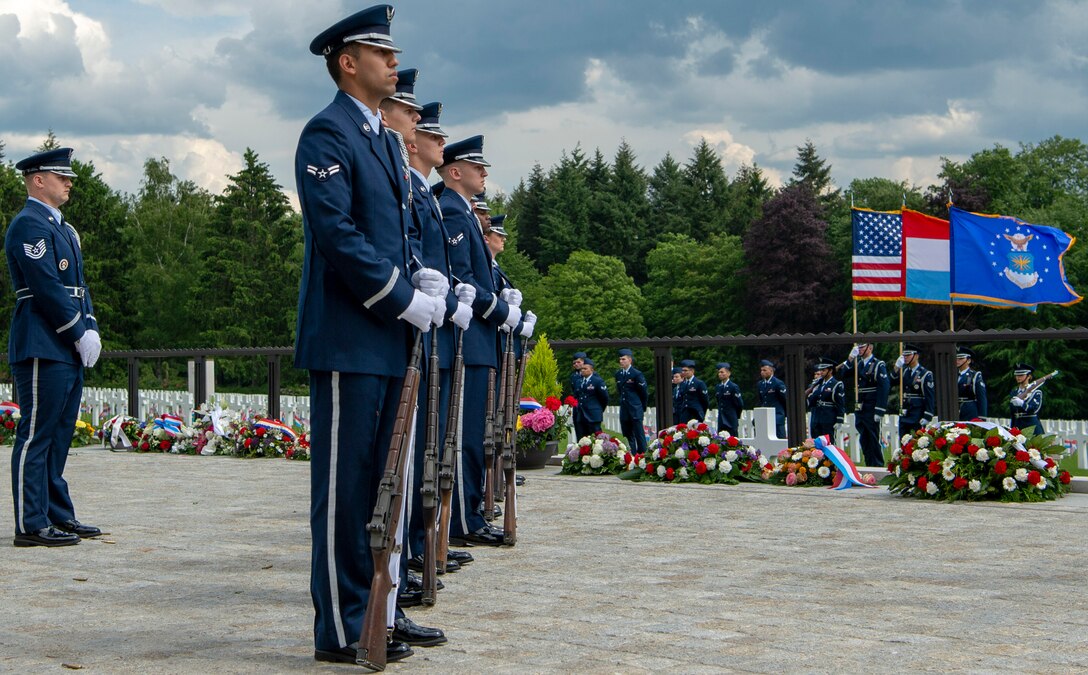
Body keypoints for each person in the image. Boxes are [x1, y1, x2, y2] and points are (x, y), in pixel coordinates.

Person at [296, 7, 448, 664]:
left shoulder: (387, 141)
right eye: (379, 52)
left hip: (387, 340)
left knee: (389, 481)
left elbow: (400, 235)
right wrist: (402, 297)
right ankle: (341, 623)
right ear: (346, 62)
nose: (394, 62)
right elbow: (338, 237)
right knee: (349, 488)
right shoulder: (325, 135)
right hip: (348, 336)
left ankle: (381, 610)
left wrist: (425, 279)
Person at [382, 85, 477, 582]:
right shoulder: (412, 184)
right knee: (417, 450)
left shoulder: (426, 193)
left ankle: (420, 546)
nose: (439, 142)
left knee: (431, 445)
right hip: (409, 321)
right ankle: (415, 550)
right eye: (427, 129)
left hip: (432, 321)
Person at [7, 147, 102, 548]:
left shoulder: (65, 228)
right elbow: (45, 286)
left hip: (64, 343)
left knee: (60, 432)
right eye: (61, 177)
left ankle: (57, 514)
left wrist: (90, 328)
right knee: (36, 433)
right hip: (42, 341)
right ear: (37, 179)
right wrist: (76, 330)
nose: (68, 183)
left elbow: (78, 287)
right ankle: (31, 522)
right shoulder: (29, 224)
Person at [438, 134, 521, 547]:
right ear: (456, 172)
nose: (484, 173)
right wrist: (502, 311)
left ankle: (469, 514)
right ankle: (462, 522)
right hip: (468, 342)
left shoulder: (466, 213)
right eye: (477, 167)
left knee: (476, 434)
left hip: (480, 342)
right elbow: (465, 280)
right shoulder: (453, 212)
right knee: (466, 436)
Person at [839, 343, 890, 467]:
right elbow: (843, 373)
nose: (860, 349)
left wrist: (880, 410)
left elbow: (884, 387)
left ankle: (877, 465)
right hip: (860, 407)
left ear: (870, 348)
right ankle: (869, 464)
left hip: (871, 406)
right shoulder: (858, 364)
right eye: (858, 347)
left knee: (873, 437)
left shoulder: (878, 364)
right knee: (864, 438)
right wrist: (850, 358)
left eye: (862, 347)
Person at [891, 343, 935, 436]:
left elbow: (929, 396)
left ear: (916, 356)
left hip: (917, 412)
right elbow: (891, 381)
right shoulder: (904, 372)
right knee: (903, 441)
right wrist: (896, 367)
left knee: (917, 442)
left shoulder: (925, 374)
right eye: (904, 355)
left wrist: (928, 415)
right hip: (905, 411)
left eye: (908, 355)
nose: (905, 357)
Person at [615, 348, 648, 454]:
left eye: (623, 359)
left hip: (635, 407)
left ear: (630, 360)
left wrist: (641, 406)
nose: (621, 361)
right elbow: (620, 390)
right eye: (620, 359)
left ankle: (643, 455)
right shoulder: (619, 374)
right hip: (625, 408)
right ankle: (631, 455)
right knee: (627, 434)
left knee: (639, 434)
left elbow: (643, 392)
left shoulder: (636, 374)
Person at [805, 356, 845, 438]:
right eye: (821, 370)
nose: (821, 372)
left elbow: (840, 403)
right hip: (817, 417)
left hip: (828, 417)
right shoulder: (818, 384)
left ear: (830, 371)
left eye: (824, 370)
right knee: (816, 443)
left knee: (828, 443)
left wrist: (839, 419)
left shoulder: (836, 384)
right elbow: (811, 400)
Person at [573, 358, 608, 437]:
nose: (582, 370)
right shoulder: (578, 382)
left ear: (591, 370)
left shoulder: (597, 381)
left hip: (593, 415)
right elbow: (576, 396)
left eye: (585, 369)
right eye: (582, 369)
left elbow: (604, 398)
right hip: (581, 415)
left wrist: (598, 409)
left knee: (597, 439)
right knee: (581, 439)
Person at [756, 359, 788, 438]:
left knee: (780, 439)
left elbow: (785, 399)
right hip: (766, 416)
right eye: (761, 370)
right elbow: (762, 400)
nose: (762, 372)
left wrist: (784, 413)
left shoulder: (777, 383)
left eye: (764, 370)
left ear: (771, 371)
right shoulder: (760, 384)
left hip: (777, 415)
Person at [1010, 363, 1044, 433]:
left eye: (1021, 375)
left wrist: (1022, 404)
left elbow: (1035, 409)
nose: (1018, 377)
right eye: (1017, 375)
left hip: (1031, 427)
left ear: (1029, 376)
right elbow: (1013, 413)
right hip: (1017, 426)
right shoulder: (1014, 392)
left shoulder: (1036, 392)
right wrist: (1012, 428)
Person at [956, 346, 988, 420]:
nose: (957, 361)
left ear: (968, 360)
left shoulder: (975, 375)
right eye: (956, 358)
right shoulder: (953, 376)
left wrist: (982, 417)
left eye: (961, 359)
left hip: (970, 411)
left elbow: (981, 398)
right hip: (956, 411)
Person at [714, 362, 743, 437]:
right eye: (719, 372)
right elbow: (719, 401)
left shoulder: (733, 386)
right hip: (721, 418)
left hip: (731, 418)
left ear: (728, 373)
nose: (720, 374)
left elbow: (739, 404)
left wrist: (735, 416)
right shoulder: (718, 387)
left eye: (722, 372)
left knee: (732, 439)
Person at [677, 359, 709, 424]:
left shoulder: (699, 383)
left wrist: (701, 412)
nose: (683, 372)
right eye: (682, 370)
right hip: (685, 414)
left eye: (686, 370)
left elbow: (705, 400)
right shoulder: (683, 384)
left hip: (695, 413)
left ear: (692, 371)